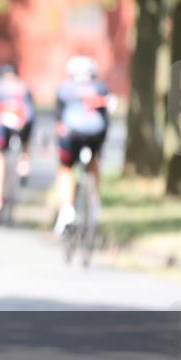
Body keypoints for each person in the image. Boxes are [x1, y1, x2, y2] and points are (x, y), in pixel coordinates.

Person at [53, 55, 110, 235]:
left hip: (71, 136)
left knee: (65, 168)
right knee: (94, 162)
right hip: (95, 136)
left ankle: (66, 210)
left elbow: (59, 120)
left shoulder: (65, 89)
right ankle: (95, 204)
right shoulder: (101, 88)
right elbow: (106, 120)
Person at [0, 64, 35, 222]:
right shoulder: (25, 88)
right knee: (26, 142)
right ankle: (24, 163)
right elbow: (31, 115)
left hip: (3, 123)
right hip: (24, 123)